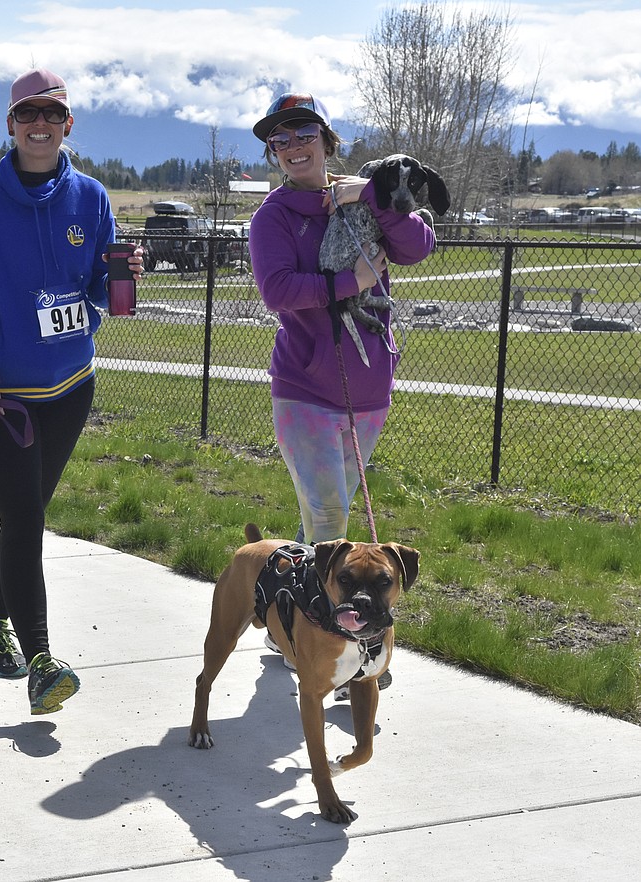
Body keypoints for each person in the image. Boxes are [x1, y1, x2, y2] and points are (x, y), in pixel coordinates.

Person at [0, 68, 143, 715]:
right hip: (3, 399)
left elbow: (95, 292)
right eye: (28, 115)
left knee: (21, 516)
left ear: (67, 125)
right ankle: (40, 661)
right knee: (27, 521)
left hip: (71, 389)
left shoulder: (90, 198)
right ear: (10, 124)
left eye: (51, 115)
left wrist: (121, 276)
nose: (40, 125)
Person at [248, 93, 436, 694]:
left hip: (370, 389)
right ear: (274, 153)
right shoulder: (273, 217)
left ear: (328, 140)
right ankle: (334, 639)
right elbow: (278, 289)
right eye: (281, 139)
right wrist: (347, 282)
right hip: (304, 389)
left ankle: (291, 618)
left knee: (318, 521)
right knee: (330, 518)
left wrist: (371, 198)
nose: (294, 145)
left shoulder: (366, 193)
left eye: (304, 132)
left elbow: (416, 248)